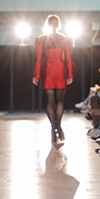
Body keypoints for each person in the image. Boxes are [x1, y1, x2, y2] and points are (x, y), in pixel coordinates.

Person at [32, 15, 75, 145]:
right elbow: (68, 58)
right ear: (58, 24)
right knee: (60, 101)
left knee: (50, 101)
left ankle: (53, 127)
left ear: (48, 24)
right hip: (60, 71)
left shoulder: (41, 39)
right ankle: (59, 126)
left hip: (48, 71)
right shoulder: (65, 39)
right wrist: (70, 75)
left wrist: (36, 75)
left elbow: (38, 59)